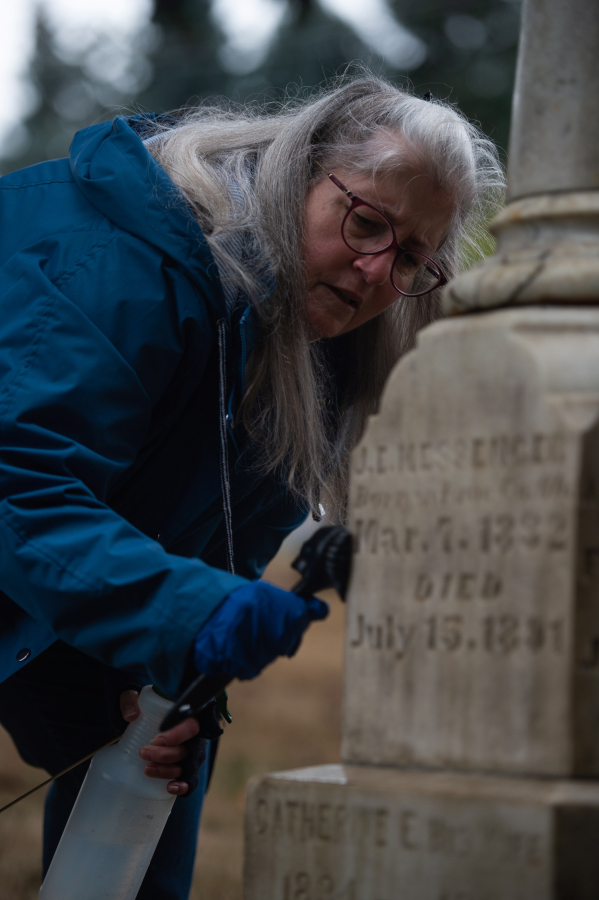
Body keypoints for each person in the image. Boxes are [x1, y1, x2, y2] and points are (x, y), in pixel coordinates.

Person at [0, 74, 503, 898]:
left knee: (167, 737)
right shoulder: (123, 262)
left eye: (411, 256)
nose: (378, 270)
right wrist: (185, 613)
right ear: (295, 173)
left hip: (50, 561)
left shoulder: (315, 352)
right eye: (365, 221)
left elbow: (205, 547)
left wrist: (157, 673)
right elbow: (22, 485)